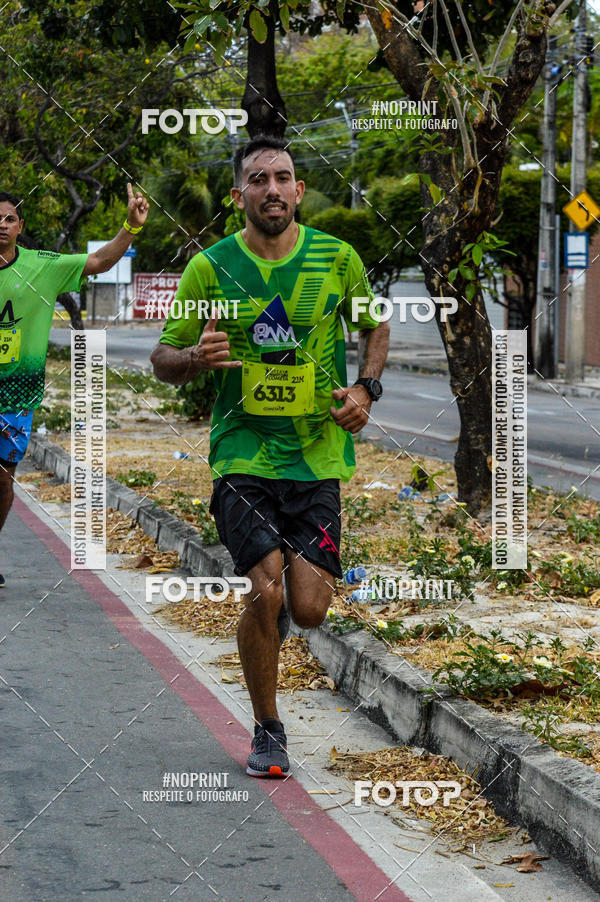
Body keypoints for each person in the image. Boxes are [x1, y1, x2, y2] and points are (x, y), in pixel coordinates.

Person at [150, 134, 389, 777]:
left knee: (307, 608)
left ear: (299, 190)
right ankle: (268, 728)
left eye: (283, 177)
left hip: (317, 454)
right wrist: (196, 359)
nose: (273, 189)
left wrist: (367, 387)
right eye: (259, 180)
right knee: (263, 589)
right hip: (242, 453)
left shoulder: (338, 259)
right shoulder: (210, 268)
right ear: (239, 195)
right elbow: (162, 359)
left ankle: (273, 620)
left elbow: (375, 324)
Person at [0, 184, 149, 583]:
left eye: (8, 218)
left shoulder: (42, 265)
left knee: (2, 478)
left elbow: (99, 260)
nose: (1, 225)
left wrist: (130, 227)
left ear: (19, 226)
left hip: (14, 394)